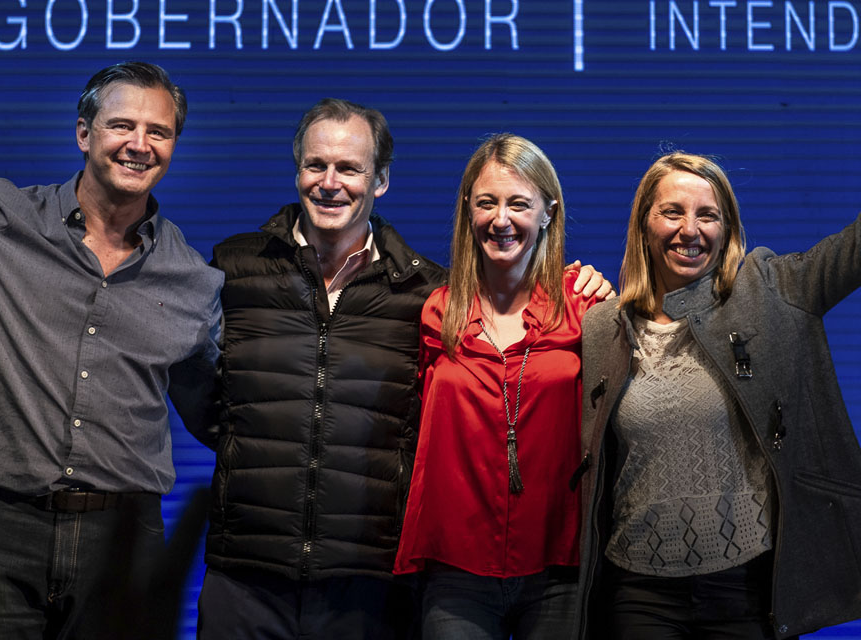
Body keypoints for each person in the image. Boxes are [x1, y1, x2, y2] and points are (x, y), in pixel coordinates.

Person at [199, 103, 609, 639]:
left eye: (349, 168)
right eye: (315, 165)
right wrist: (238, 442)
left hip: (374, 581)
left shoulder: (420, 292)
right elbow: (198, 387)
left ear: (381, 180)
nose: (330, 182)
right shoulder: (236, 267)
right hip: (250, 571)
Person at [0, 62, 224, 638]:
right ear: (83, 133)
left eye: (159, 131)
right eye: (121, 125)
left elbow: (222, 416)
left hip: (125, 541)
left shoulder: (193, 280)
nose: (139, 144)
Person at [574, 152, 861, 639]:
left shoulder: (771, 290)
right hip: (639, 594)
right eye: (672, 212)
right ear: (643, 224)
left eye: (707, 215)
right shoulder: (604, 324)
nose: (690, 230)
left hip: (745, 593)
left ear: (727, 228)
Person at [393, 133, 612, 639]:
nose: (501, 219)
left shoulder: (586, 310)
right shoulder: (437, 313)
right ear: (468, 209)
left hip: (557, 568)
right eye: (487, 203)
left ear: (548, 213)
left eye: (519, 204)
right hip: (456, 572)